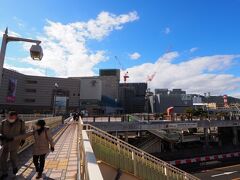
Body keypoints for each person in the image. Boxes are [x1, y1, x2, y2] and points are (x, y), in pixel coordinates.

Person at [0, 111, 26, 179]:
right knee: (2, 159)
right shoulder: (3, 122)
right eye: (9, 117)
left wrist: (23, 139)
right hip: (5, 143)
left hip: (15, 143)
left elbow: (23, 132)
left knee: (13, 157)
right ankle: (4, 172)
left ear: (16, 117)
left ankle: (15, 167)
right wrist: (1, 136)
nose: (11, 119)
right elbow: (0, 131)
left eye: (12, 117)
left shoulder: (21, 122)